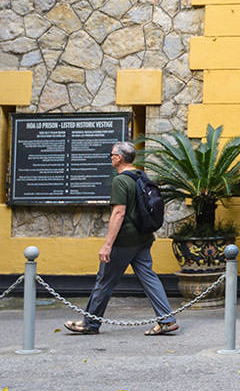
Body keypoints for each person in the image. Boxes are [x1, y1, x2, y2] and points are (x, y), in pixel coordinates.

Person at [63, 141, 178, 336]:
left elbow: (118, 213)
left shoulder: (120, 181)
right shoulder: (140, 176)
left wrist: (107, 245)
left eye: (111, 155)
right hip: (143, 236)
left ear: (119, 158)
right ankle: (167, 320)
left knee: (105, 280)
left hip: (125, 240)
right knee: (149, 277)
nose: (110, 158)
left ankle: (90, 324)